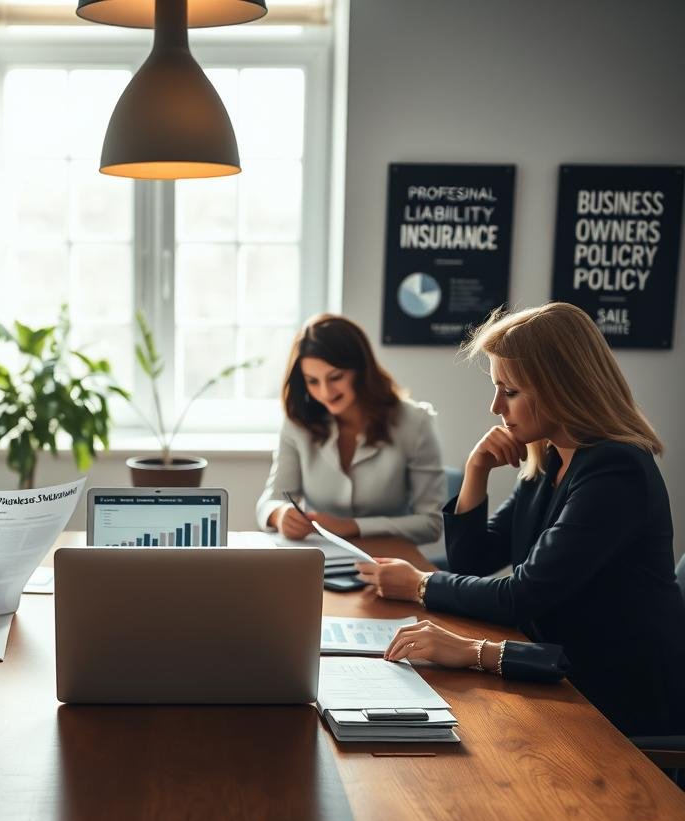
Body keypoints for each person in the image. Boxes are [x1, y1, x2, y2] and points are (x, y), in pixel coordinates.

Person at [357, 301, 685, 737]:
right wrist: (476, 470)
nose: (496, 407)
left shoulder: (615, 471)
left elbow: (521, 595)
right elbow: (475, 560)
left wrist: (422, 586)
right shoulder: (552, 457)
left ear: (563, 389)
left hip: (613, 696)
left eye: (509, 392)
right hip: (557, 667)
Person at [256, 313, 446, 545]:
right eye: (313, 381)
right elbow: (271, 501)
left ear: (361, 369)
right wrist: (280, 515)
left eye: (335, 377)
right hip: (322, 554)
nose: (325, 392)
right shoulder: (298, 423)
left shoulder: (414, 422)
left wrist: (351, 527)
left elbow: (431, 523)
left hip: (391, 558)